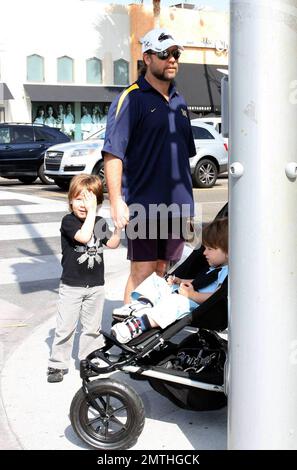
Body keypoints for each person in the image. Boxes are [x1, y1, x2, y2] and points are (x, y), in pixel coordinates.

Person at [102, 28, 195, 305]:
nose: (172, 60)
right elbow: (112, 153)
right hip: (144, 204)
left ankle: (150, 331)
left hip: (177, 206)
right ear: (147, 57)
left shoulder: (180, 101)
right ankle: (128, 331)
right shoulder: (130, 99)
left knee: (162, 269)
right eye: (165, 54)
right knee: (142, 270)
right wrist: (117, 201)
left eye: (176, 54)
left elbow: (185, 154)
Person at [47, 174, 121, 382]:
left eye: (89, 200)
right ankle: (57, 364)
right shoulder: (68, 221)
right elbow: (84, 237)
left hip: (96, 286)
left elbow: (112, 244)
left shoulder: (99, 221)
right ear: (70, 200)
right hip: (72, 285)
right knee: (65, 327)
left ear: (98, 202)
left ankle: (87, 360)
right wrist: (91, 213)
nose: (83, 204)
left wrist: (118, 228)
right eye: (79, 199)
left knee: (91, 329)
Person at [111, 218, 228, 344]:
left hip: (200, 306)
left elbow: (217, 296)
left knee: (174, 302)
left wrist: (192, 295)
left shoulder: (227, 272)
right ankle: (141, 306)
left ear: (227, 252)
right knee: (157, 282)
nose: (204, 253)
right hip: (188, 294)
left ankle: (138, 325)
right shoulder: (215, 267)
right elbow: (202, 281)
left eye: (210, 249)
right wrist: (180, 280)